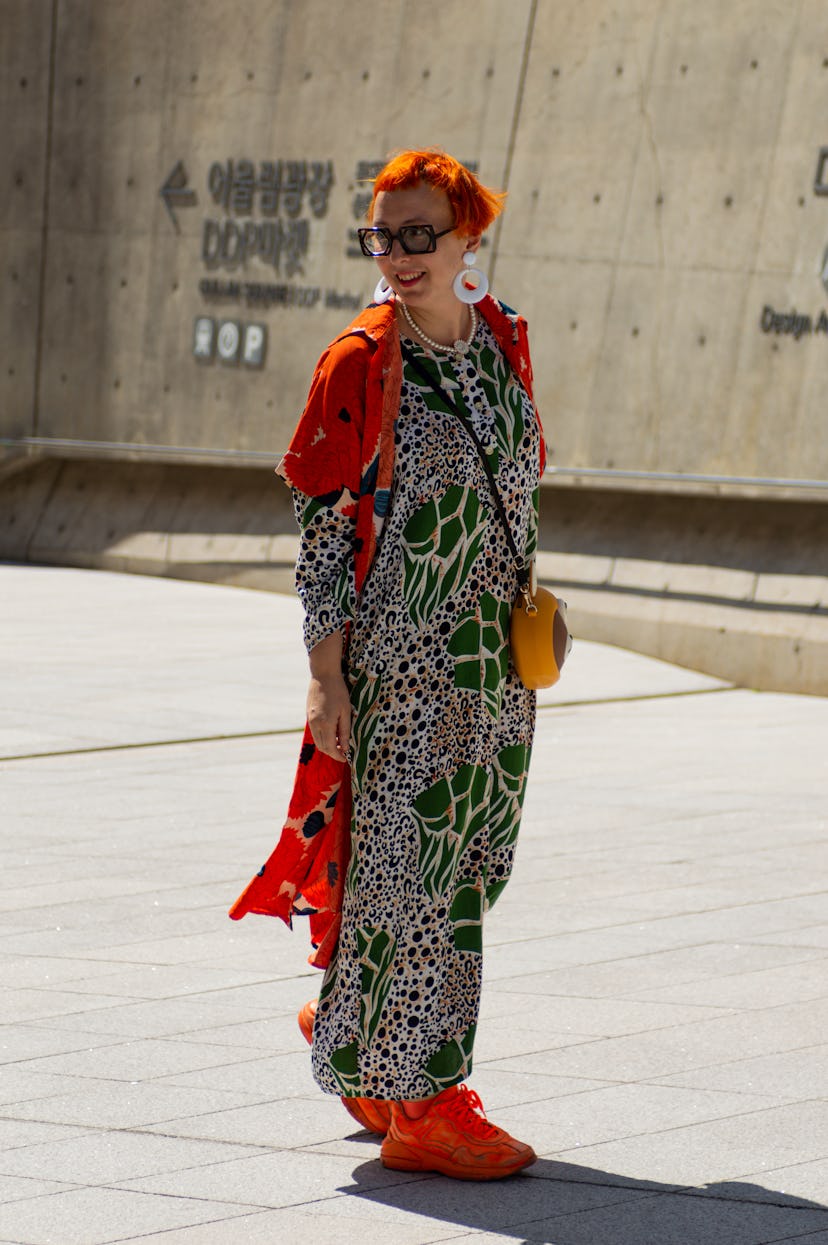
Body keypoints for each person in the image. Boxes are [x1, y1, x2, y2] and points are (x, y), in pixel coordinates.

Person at [230, 148, 546, 1181]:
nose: (402, 256)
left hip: (495, 666)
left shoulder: (499, 342)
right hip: (403, 671)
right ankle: (426, 1101)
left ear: (467, 237)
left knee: (470, 867)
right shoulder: (361, 361)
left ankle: (363, 1037)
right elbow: (324, 536)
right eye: (385, 237)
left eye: (422, 235)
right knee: (423, 883)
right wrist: (326, 681)